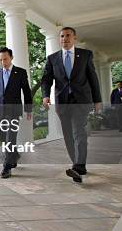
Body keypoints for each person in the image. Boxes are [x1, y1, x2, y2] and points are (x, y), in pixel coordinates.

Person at [42, 27, 101, 183]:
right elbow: (46, 80)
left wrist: (97, 100)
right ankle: (78, 163)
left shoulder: (85, 55)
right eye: (62, 36)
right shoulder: (52, 58)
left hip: (81, 101)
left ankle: (78, 167)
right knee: (68, 135)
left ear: (74, 38)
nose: (65, 38)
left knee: (79, 132)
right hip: (62, 103)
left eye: (68, 35)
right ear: (59, 39)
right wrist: (46, 96)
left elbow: (93, 78)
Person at [0, 47, 33, 178]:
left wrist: (28, 109)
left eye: (5, 59)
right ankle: (14, 155)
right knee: (3, 138)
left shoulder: (20, 72)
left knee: (10, 138)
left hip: (14, 111)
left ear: (11, 58)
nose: (3, 62)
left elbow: (26, 91)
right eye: (0, 60)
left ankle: (7, 167)